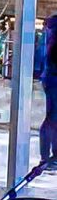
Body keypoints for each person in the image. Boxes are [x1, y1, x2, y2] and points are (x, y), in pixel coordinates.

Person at [41, 14, 57, 166]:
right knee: (53, 117)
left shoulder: (52, 27)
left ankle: (51, 155)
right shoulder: (55, 29)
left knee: (53, 117)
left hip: (50, 77)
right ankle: (47, 157)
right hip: (53, 79)